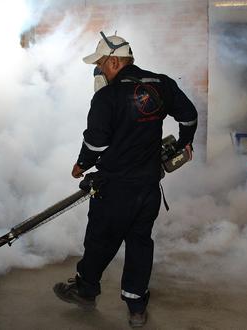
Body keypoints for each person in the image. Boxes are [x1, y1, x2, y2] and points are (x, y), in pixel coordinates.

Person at [53, 32, 198, 328]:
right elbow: (189, 116)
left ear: (116, 60)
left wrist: (81, 165)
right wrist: (185, 142)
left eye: (103, 64)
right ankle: (136, 307)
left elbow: (95, 143)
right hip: (148, 187)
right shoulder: (161, 84)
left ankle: (85, 290)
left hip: (115, 188)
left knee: (100, 239)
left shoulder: (107, 97)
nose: (101, 70)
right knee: (139, 242)